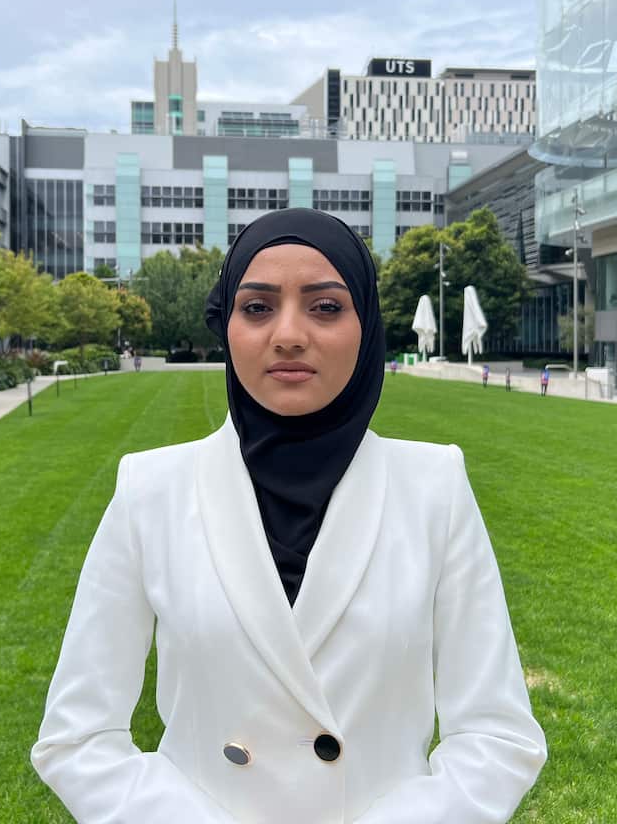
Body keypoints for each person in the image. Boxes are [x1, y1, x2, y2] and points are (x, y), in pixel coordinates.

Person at [32, 208, 546, 823]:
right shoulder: (151, 490)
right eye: (257, 308)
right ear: (228, 328)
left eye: (326, 307)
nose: (288, 334)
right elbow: (77, 737)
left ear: (367, 325)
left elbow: (497, 735)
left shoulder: (435, 488)